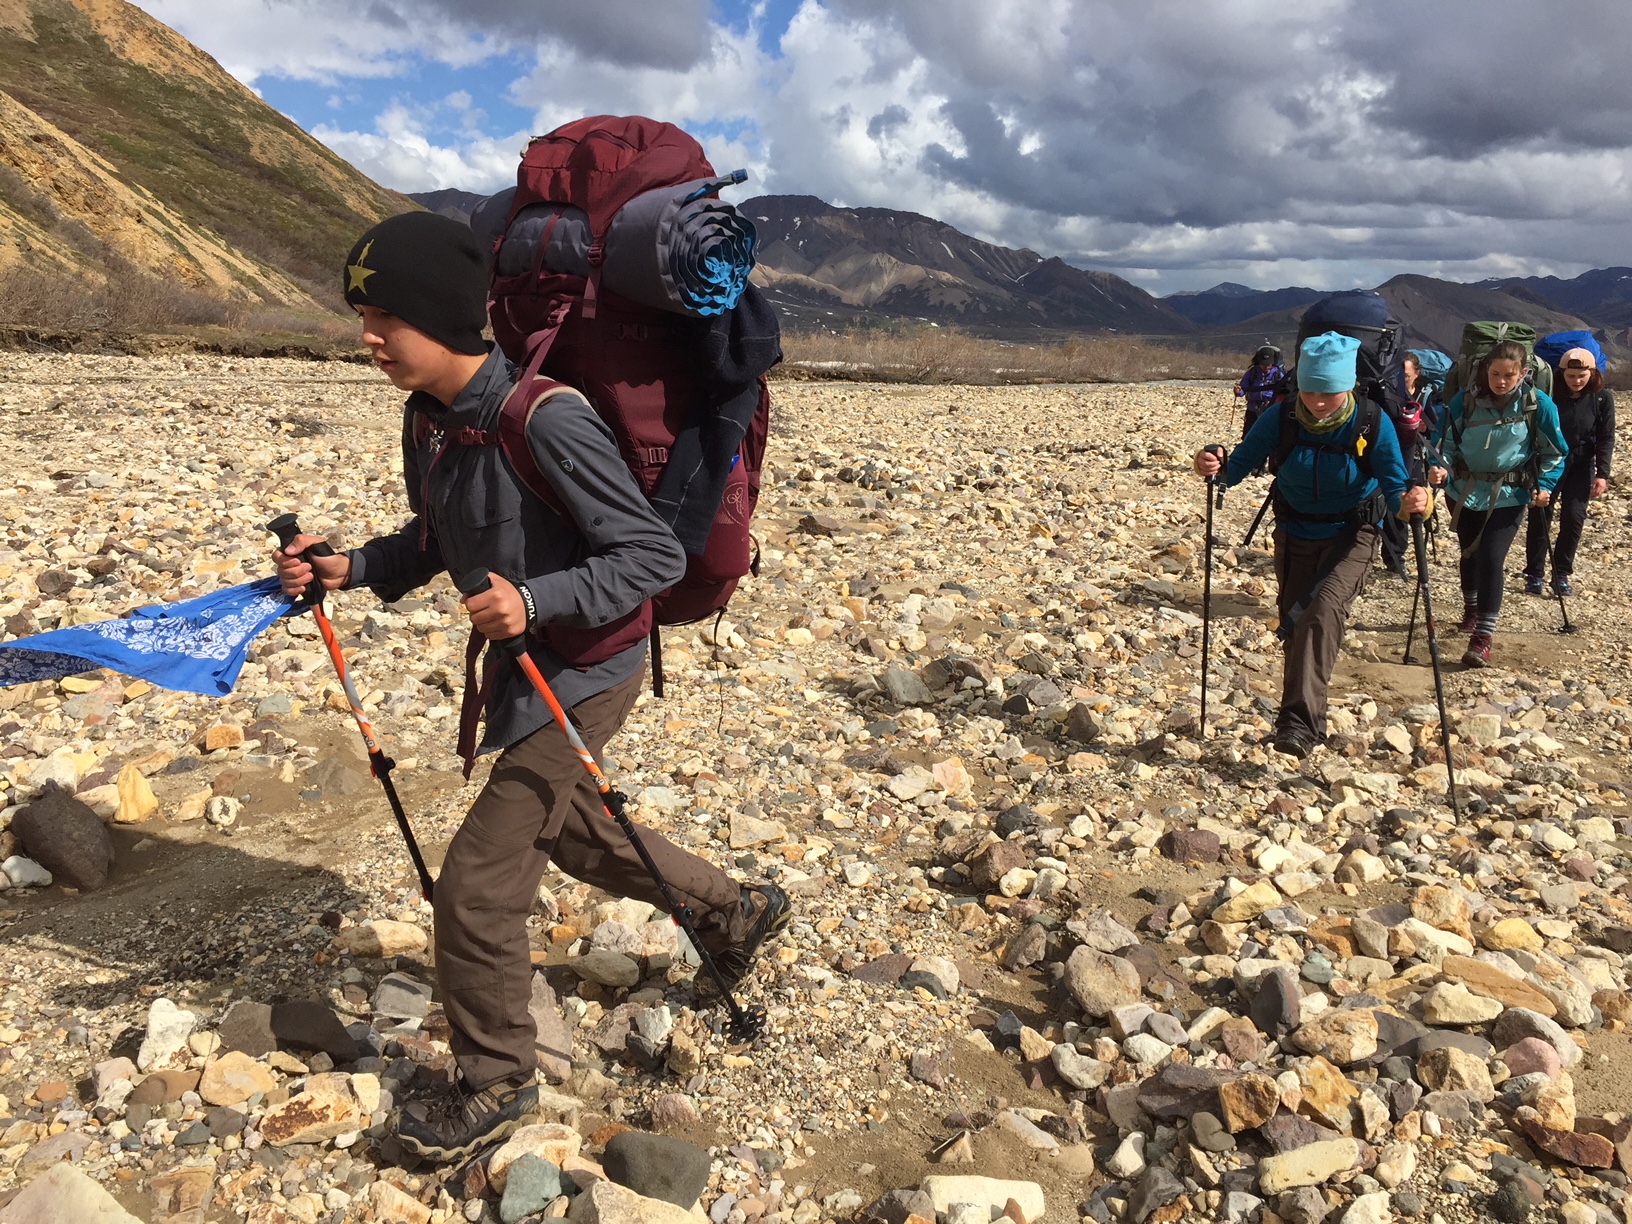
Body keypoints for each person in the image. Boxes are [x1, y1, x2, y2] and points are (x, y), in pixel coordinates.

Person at [272, 212, 791, 1162]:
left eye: (386, 314)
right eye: (362, 313)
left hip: (590, 667)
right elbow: (434, 537)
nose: (368, 335)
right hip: (531, 664)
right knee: (576, 829)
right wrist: (351, 566)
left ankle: (497, 1081)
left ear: (441, 315)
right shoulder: (429, 419)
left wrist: (538, 598)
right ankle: (735, 911)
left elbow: (649, 555)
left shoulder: (548, 419)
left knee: (474, 885)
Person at [1195, 332, 1429, 759]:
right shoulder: (1281, 417)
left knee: (1320, 612)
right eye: (1310, 389)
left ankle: (1297, 725)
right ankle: (1306, 718)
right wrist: (1212, 464)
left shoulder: (1372, 422)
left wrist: (1416, 503)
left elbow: (1397, 488)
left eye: (1330, 392)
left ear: (1349, 386)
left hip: (1354, 533)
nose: (1319, 401)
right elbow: (1237, 467)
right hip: (1294, 530)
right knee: (1294, 622)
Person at [1429, 340, 1568, 668]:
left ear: (1523, 373)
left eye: (1509, 374)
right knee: (1469, 552)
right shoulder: (1464, 402)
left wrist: (1545, 485)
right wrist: (1440, 467)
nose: (1501, 380)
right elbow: (1444, 444)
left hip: (1510, 494)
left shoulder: (1538, 405)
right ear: (1484, 371)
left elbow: (1555, 451)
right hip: (1463, 490)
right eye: (1495, 373)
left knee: (1491, 557)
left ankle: (1483, 636)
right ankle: (1472, 609)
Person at [1523, 347, 1614, 596]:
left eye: (1581, 376)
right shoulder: (1550, 395)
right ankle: (1535, 574)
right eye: (1571, 375)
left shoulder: (1601, 398)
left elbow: (1606, 437)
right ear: (1561, 373)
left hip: (1581, 464)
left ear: (1592, 373)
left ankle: (1561, 573)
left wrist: (1602, 473)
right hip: (1549, 463)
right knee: (1541, 516)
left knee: (1573, 519)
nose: (1576, 381)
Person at [1234, 343, 1287, 441]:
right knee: (1248, 436)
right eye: (1263, 364)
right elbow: (1243, 389)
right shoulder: (1252, 373)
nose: (1266, 367)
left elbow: (1285, 390)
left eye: (1268, 364)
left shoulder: (1278, 374)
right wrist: (1238, 392)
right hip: (1253, 408)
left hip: (1271, 408)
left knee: (1269, 437)